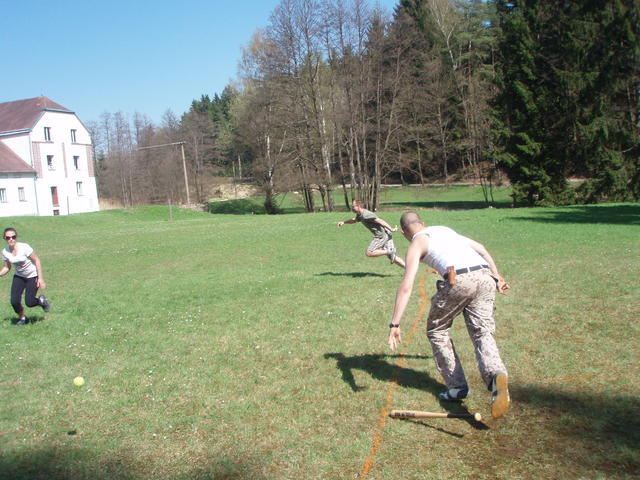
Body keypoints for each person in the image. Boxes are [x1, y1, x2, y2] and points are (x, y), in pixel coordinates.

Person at [387, 211, 510, 419]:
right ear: (422, 223)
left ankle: (457, 387)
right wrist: (497, 277)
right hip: (485, 277)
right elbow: (481, 249)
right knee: (482, 331)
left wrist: (395, 324)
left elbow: (406, 286)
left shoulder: (417, 243)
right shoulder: (444, 230)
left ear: (404, 233)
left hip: (459, 279)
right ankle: (496, 375)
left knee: (437, 330)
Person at [0, 228, 50, 325]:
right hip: (19, 276)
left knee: (29, 302)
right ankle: (23, 318)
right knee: (14, 301)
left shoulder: (24, 247)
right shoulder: (5, 251)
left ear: (16, 237)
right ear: (5, 238)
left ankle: (41, 301)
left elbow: (37, 260)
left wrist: (40, 279)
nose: (11, 239)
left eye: (13, 237)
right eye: (8, 237)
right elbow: (7, 267)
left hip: (32, 276)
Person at [337, 199, 406, 269]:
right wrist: (344, 222)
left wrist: (391, 228)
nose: (352, 208)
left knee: (369, 252)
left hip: (382, 235)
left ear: (358, 206)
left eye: (353, 206)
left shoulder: (366, 215)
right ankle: (408, 268)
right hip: (386, 233)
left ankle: (390, 251)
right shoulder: (360, 214)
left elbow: (380, 221)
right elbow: (354, 220)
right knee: (392, 257)